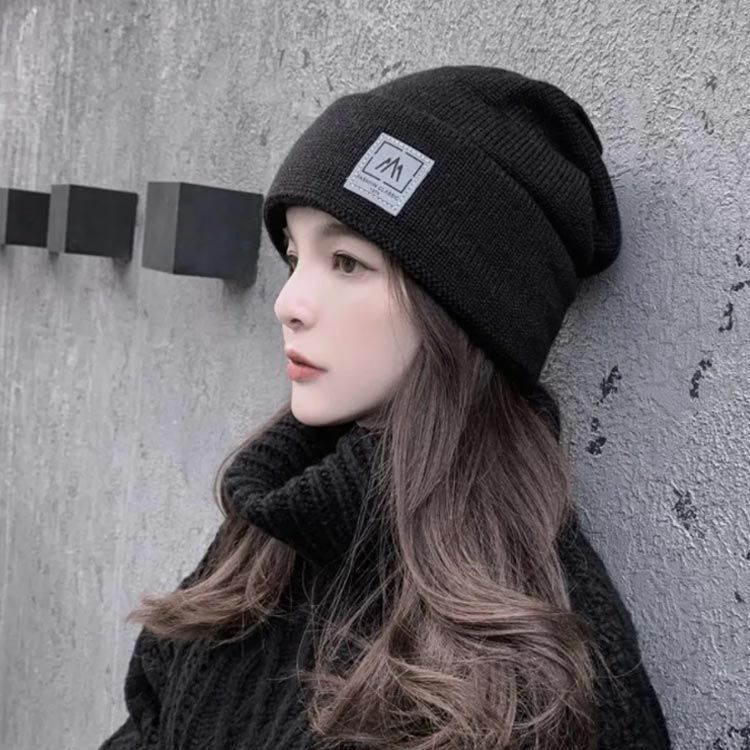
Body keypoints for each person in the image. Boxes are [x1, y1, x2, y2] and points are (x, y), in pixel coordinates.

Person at [99, 64, 672, 749]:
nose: (287, 303)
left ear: (463, 313)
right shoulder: (268, 530)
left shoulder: (544, 662)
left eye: (346, 262)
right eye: (294, 257)